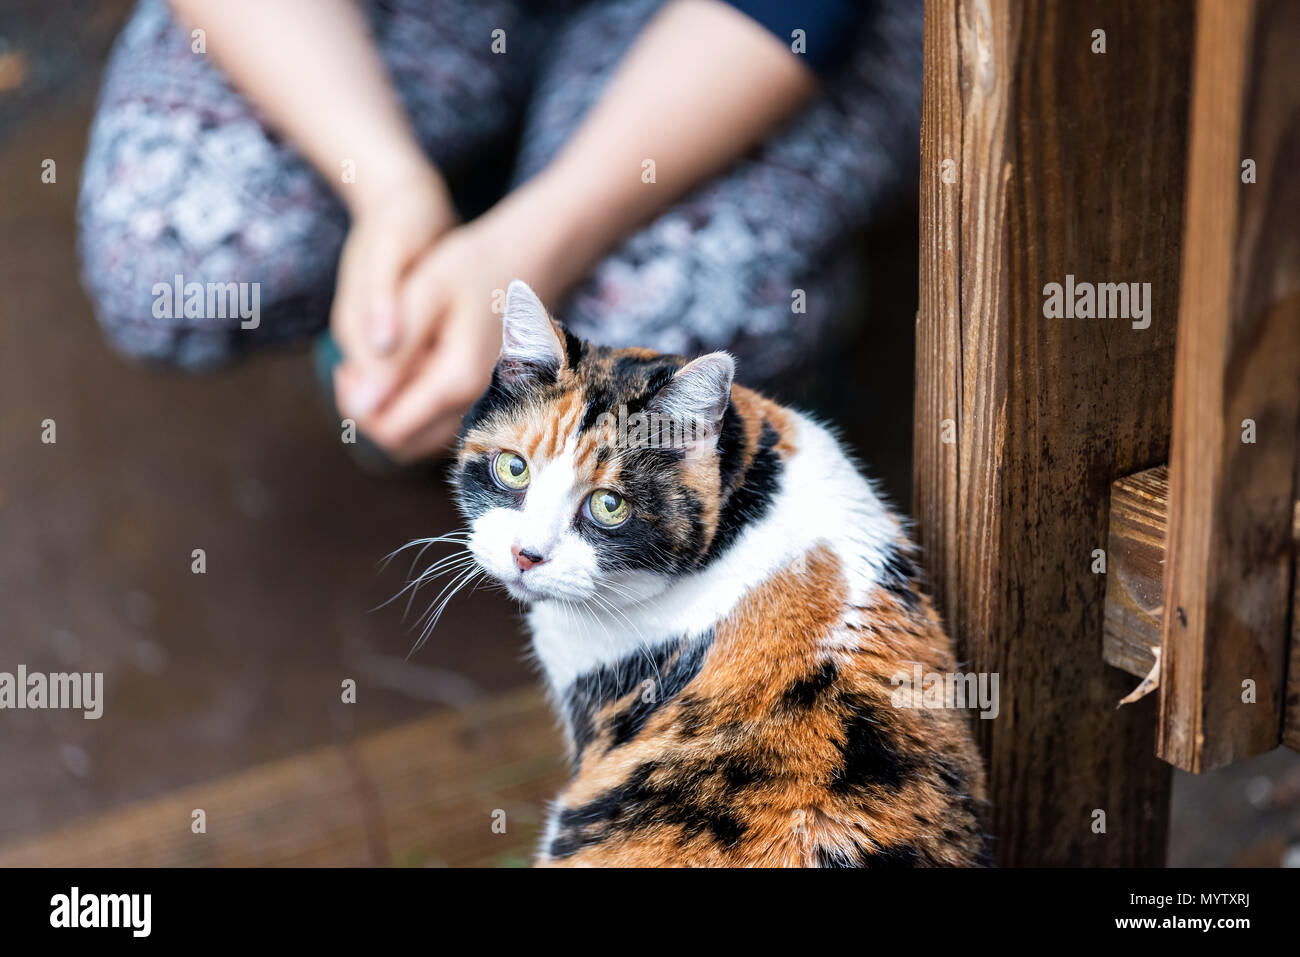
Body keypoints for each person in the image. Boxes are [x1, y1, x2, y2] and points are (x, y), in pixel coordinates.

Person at [78, 0, 922, 462]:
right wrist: (389, 193)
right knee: (166, 254)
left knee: (656, 339)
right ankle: (433, 265)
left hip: (743, 28)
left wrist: (529, 246)